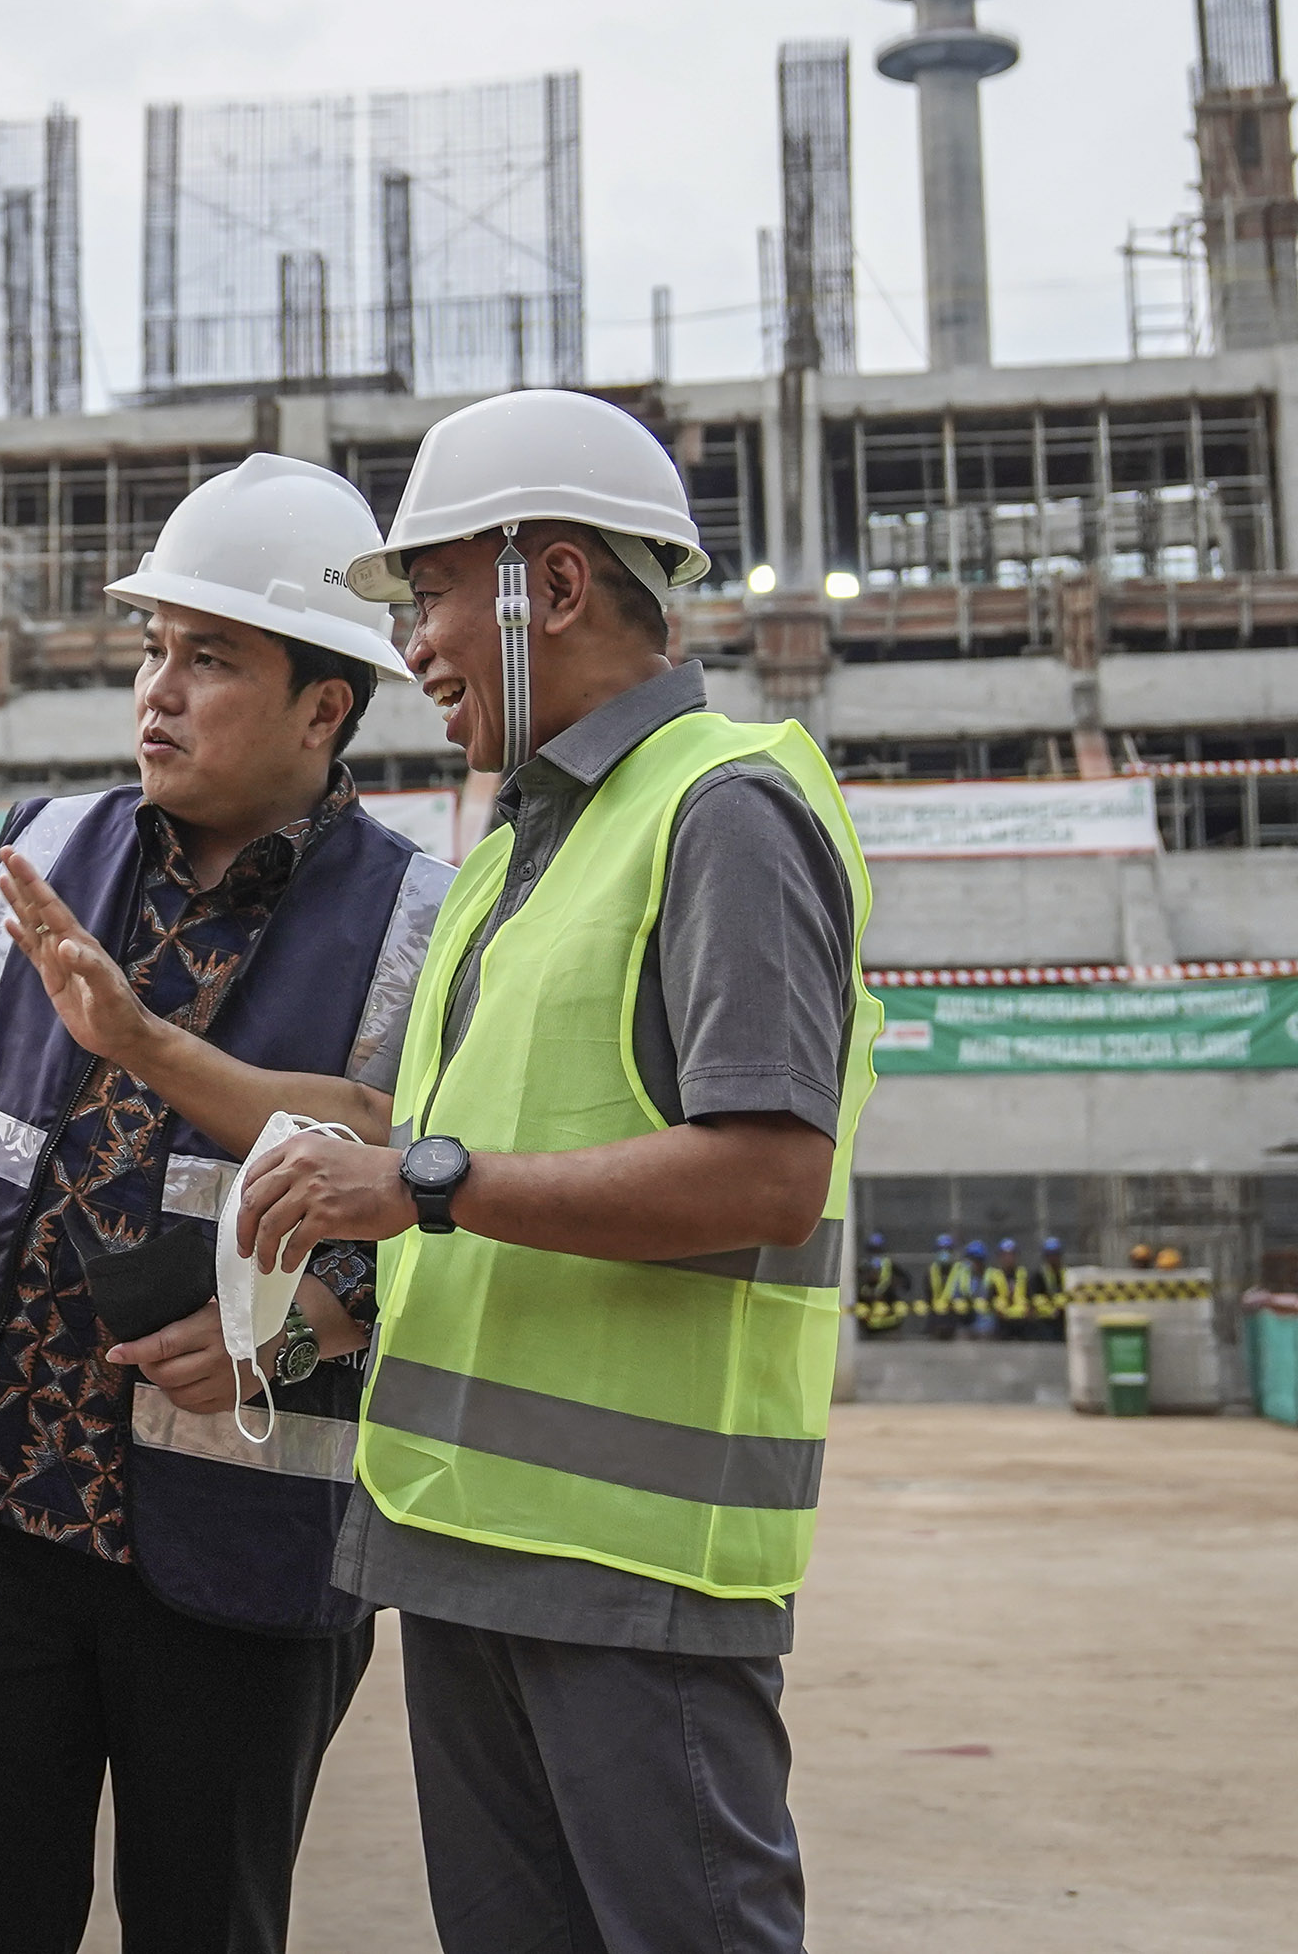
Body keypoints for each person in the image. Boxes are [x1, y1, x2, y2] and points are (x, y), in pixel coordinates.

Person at [234, 387, 881, 1954]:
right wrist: (334, 1303)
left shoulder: (723, 808)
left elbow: (765, 1176)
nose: (418, 648)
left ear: (556, 584)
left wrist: (425, 1184)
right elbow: (477, 1171)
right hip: (469, 1549)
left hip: (633, 1576)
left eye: (438, 593)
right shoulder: (522, 848)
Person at [0, 453, 451, 1954]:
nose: (156, 693)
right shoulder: (48, 847)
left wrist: (297, 1336)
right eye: (152, 650)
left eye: (212, 658)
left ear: (327, 707)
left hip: (242, 1552)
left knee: (211, 1925)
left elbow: (450, 1213)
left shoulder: (423, 928)